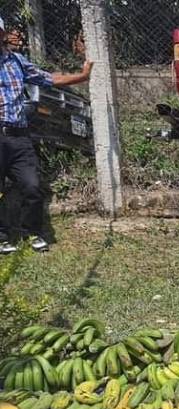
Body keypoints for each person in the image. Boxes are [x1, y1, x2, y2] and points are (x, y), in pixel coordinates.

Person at [0, 16, 92, 254]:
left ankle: (32, 231)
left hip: (19, 137)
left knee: (32, 186)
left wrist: (81, 77)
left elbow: (49, 79)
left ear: (2, 35)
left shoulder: (17, 62)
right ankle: (2, 237)